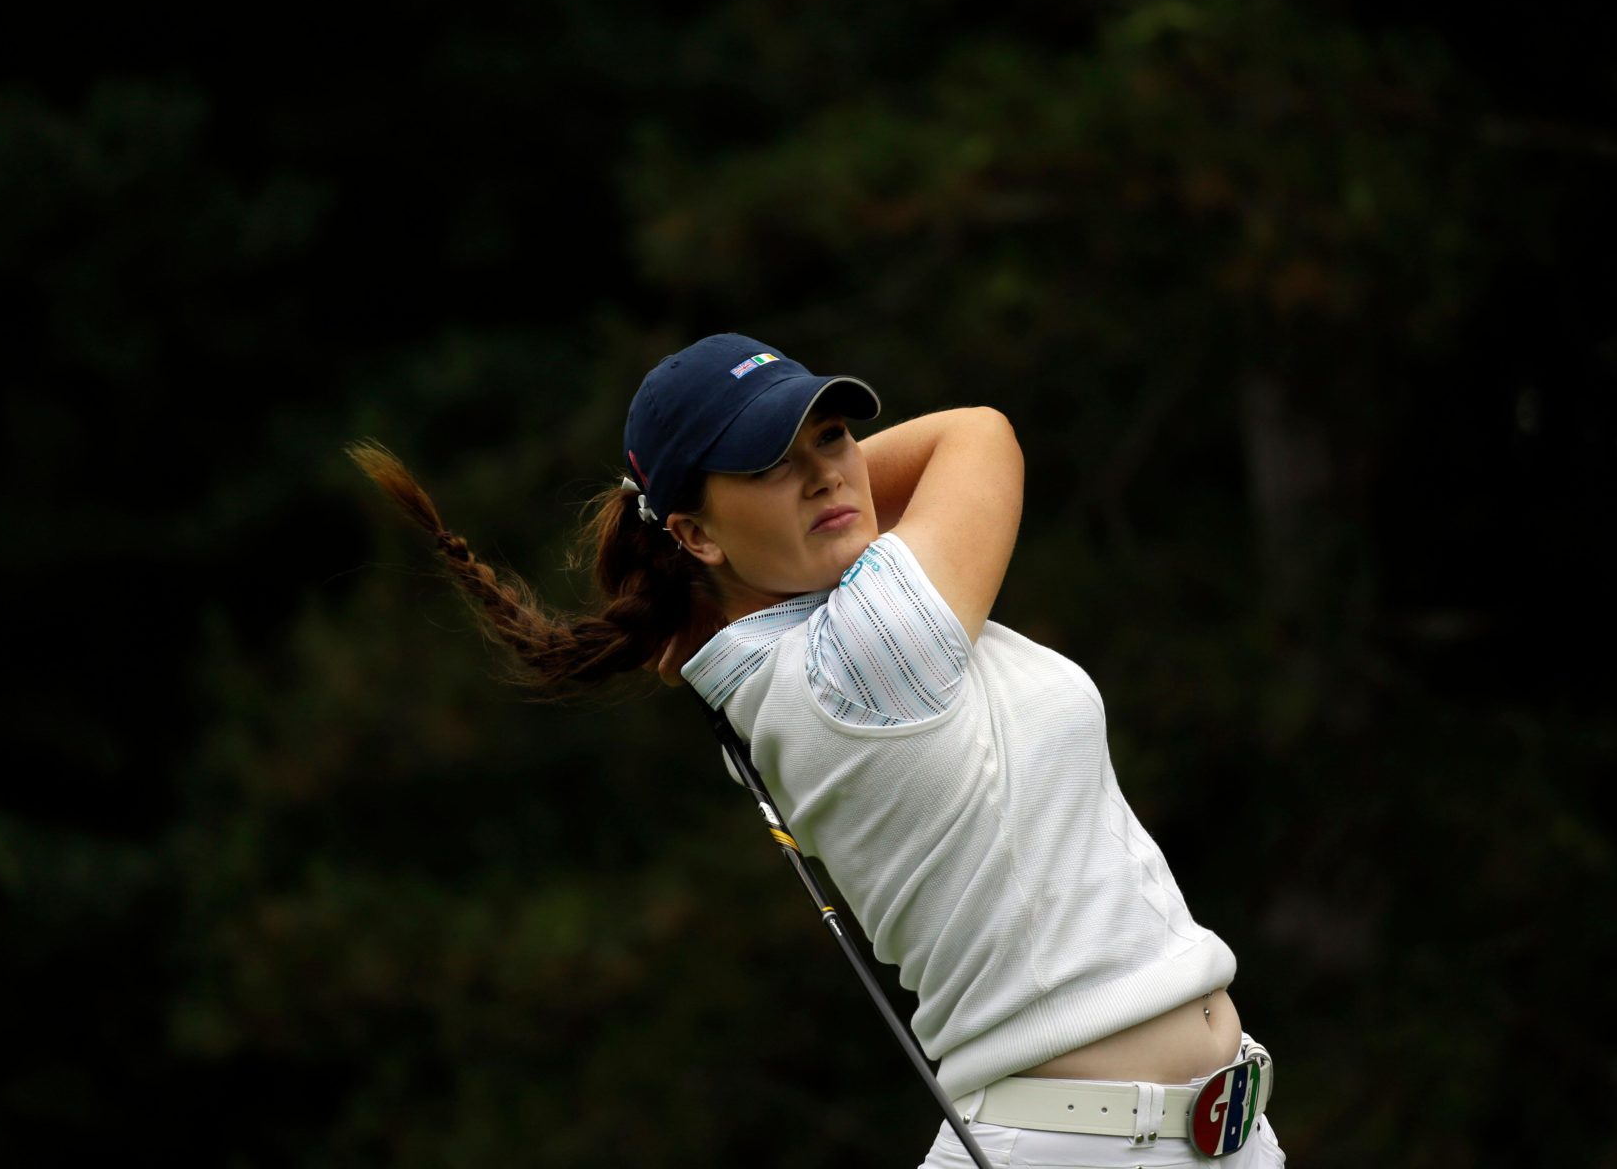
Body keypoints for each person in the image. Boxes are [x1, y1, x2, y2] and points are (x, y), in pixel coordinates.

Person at [350, 333, 1284, 1168]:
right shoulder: (860, 656)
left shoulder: (825, 631)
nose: (828, 474)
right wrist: (753, 532)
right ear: (692, 534)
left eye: (831, 437)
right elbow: (979, 433)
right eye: (766, 465)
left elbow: (859, 497)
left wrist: (745, 529)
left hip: (1220, 1137)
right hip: (1072, 1150)